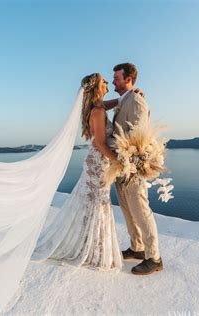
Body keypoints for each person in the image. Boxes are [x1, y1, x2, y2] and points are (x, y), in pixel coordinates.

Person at [32, 73, 122, 271]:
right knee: (98, 204)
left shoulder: (98, 107)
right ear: (97, 87)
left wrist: (125, 97)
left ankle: (89, 246)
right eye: (104, 82)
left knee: (95, 204)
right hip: (98, 163)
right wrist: (119, 161)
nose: (107, 83)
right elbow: (99, 143)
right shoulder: (97, 112)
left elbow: (108, 104)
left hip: (99, 163)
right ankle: (93, 250)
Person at [102, 63, 163, 275]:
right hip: (121, 167)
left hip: (133, 168)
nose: (113, 81)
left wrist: (107, 142)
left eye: (116, 78)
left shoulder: (136, 100)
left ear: (128, 79)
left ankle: (154, 257)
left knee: (141, 211)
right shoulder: (124, 100)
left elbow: (138, 136)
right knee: (128, 210)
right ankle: (137, 248)